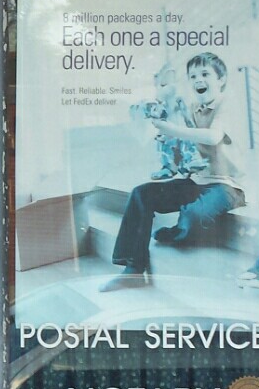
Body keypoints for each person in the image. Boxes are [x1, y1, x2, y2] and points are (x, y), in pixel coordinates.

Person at [101, 52, 249, 292]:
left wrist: (172, 129)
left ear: (221, 79)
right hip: (196, 181)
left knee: (193, 215)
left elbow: (213, 137)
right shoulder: (192, 108)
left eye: (205, 74)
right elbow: (180, 138)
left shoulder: (227, 104)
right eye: (193, 76)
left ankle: (178, 231)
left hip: (227, 186)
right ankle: (133, 269)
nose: (198, 80)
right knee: (141, 194)